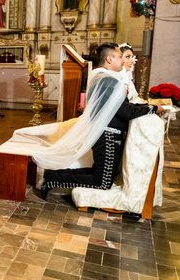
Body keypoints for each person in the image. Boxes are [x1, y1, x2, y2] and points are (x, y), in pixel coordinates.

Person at [40, 43, 163, 199]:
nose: (123, 61)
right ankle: (52, 179)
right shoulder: (109, 80)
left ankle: (52, 175)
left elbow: (121, 106)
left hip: (105, 134)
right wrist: (153, 108)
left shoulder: (104, 77)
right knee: (102, 182)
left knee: (101, 174)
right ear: (109, 59)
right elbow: (125, 111)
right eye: (120, 57)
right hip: (108, 136)